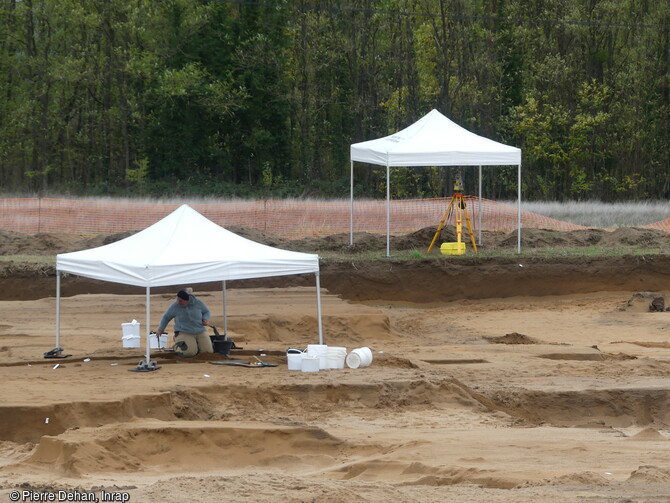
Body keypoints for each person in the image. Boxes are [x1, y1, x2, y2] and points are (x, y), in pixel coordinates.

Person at [156, 289, 213, 357]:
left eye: (181, 301)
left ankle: (195, 345)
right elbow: (166, 317)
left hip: (200, 331)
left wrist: (205, 319)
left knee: (208, 352)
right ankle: (177, 346)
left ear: (187, 300)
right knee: (189, 353)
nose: (178, 302)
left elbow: (206, 312)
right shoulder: (174, 306)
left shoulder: (198, 303)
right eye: (178, 300)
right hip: (184, 332)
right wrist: (160, 329)